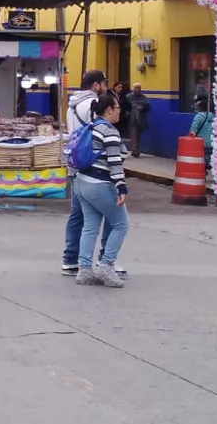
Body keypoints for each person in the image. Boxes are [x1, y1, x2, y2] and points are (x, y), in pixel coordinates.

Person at [61, 70, 124, 278]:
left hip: (77, 166)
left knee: (81, 218)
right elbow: (102, 135)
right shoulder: (93, 106)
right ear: (96, 85)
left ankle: (73, 261)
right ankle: (106, 261)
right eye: (103, 84)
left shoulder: (71, 105)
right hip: (96, 169)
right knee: (113, 217)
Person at [72, 92, 130, 288]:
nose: (120, 112)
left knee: (90, 227)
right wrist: (121, 186)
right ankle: (106, 265)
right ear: (109, 110)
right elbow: (114, 162)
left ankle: (84, 270)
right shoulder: (109, 131)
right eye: (118, 108)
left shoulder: (90, 127)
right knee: (121, 224)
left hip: (81, 182)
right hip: (100, 184)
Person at [190, 99, 215, 171]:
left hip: (201, 142)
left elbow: (193, 129)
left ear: (200, 108)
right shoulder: (212, 116)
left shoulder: (198, 117)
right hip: (212, 142)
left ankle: (203, 173)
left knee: (201, 160)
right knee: (210, 158)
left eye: (196, 107)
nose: (196, 109)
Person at [126, 84, 150, 157]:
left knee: (138, 135)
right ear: (133, 89)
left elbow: (148, 108)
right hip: (131, 119)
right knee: (133, 135)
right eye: (136, 88)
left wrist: (142, 108)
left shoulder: (144, 98)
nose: (138, 89)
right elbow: (126, 107)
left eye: (139, 88)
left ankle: (137, 149)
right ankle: (134, 150)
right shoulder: (128, 97)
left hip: (141, 119)